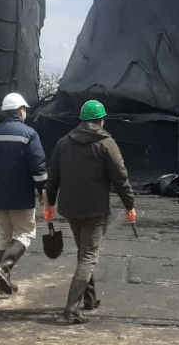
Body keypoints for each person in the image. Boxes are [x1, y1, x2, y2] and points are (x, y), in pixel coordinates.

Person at [43, 99, 136, 324]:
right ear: (101, 120)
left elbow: (52, 176)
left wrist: (49, 205)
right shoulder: (106, 143)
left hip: (71, 209)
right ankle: (70, 310)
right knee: (88, 256)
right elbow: (120, 177)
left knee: (83, 251)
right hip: (95, 211)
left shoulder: (64, 142)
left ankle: (90, 299)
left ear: (82, 120)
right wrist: (129, 205)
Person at [0, 92, 47, 294]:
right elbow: (38, 167)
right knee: (25, 233)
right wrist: (43, 191)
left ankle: (3, 283)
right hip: (21, 196)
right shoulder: (29, 134)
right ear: (21, 110)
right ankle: (3, 269)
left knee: (3, 235)